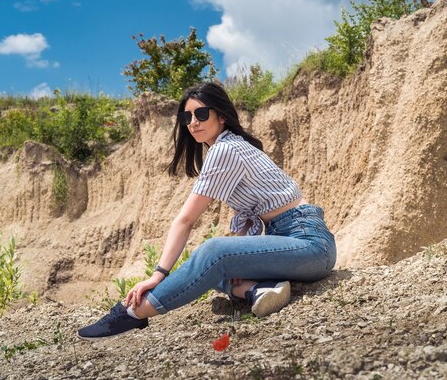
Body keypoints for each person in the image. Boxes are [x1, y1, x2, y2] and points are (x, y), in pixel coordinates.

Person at [78, 82, 336, 340]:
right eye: (186, 117)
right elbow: (248, 219)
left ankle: (133, 313)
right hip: (291, 243)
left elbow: (186, 220)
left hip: (308, 243)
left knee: (211, 253)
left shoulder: (225, 149)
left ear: (221, 115)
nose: (193, 122)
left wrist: (157, 275)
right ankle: (259, 289)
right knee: (203, 271)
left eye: (201, 114)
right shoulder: (231, 146)